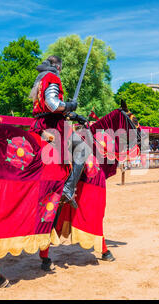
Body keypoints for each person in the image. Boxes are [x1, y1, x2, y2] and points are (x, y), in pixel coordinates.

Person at [29, 55, 89, 209]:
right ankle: (68, 189)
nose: (60, 72)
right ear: (58, 66)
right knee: (83, 150)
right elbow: (53, 105)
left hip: (40, 123)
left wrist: (75, 115)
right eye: (60, 69)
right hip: (53, 125)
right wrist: (70, 105)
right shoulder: (52, 77)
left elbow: (48, 108)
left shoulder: (40, 79)